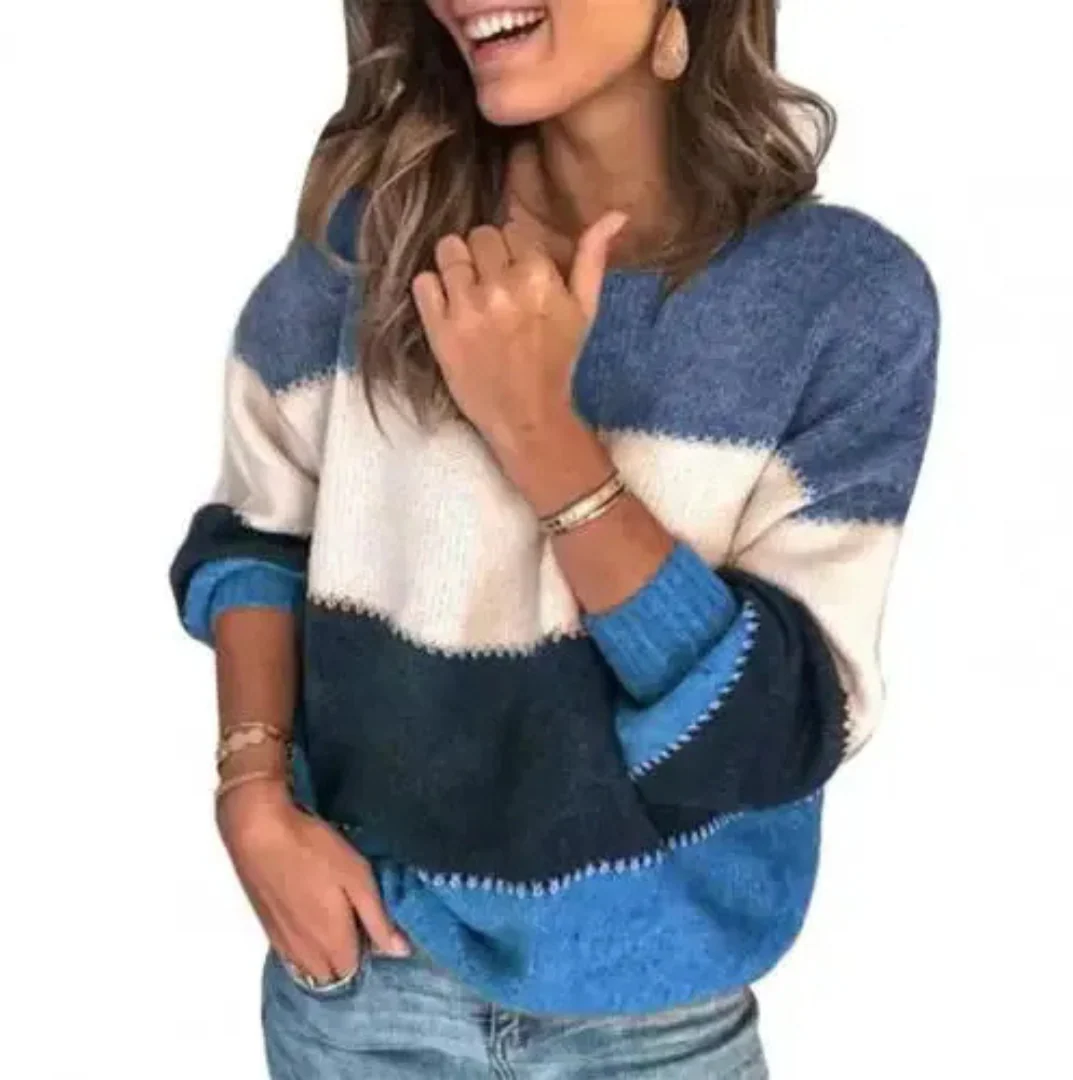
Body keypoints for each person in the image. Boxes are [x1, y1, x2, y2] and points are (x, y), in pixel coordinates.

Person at [169, 1, 939, 1075]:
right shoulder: (374, 239)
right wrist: (250, 795)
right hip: (365, 994)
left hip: (662, 1028)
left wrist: (540, 431)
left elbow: (772, 734)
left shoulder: (839, 301)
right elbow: (256, 536)